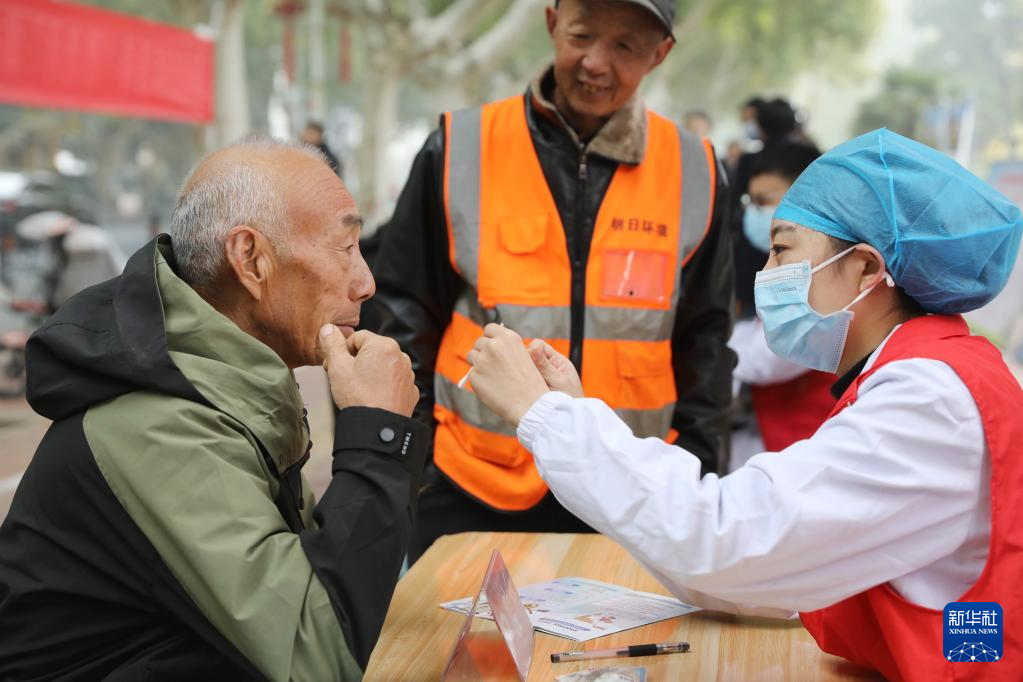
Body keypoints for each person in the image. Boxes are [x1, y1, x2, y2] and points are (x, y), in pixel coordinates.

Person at [466, 129, 1023, 681]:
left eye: (782, 250)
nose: (766, 275)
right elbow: (755, 574)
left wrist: (544, 415)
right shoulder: (922, 376)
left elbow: (727, 542)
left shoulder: (929, 401)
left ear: (867, 269)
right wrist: (571, 411)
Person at [0, 138, 427, 680]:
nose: (366, 283)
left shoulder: (216, 383)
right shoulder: (160, 425)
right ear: (250, 259)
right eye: (344, 248)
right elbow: (320, 652)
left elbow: (313, 581)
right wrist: (381, 432)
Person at [372, 0, 735, 562]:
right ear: (550, 23)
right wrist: (410, 461)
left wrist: (697, 468)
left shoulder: (697, 170)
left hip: (628, 490)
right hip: (471, 483)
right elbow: (404, 309)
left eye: (625, 46)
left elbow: (705, 339)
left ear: (660, 54)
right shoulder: (459, 146)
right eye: (581, 36)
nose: (595, 62)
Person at [729, 142, 831, 466]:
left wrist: (712, 351)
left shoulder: (828, 271)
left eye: (764, 201)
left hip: (799, 442)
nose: (755, 213)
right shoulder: (790, 261)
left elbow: (775, 353)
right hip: (771, 433)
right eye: (751, 202)